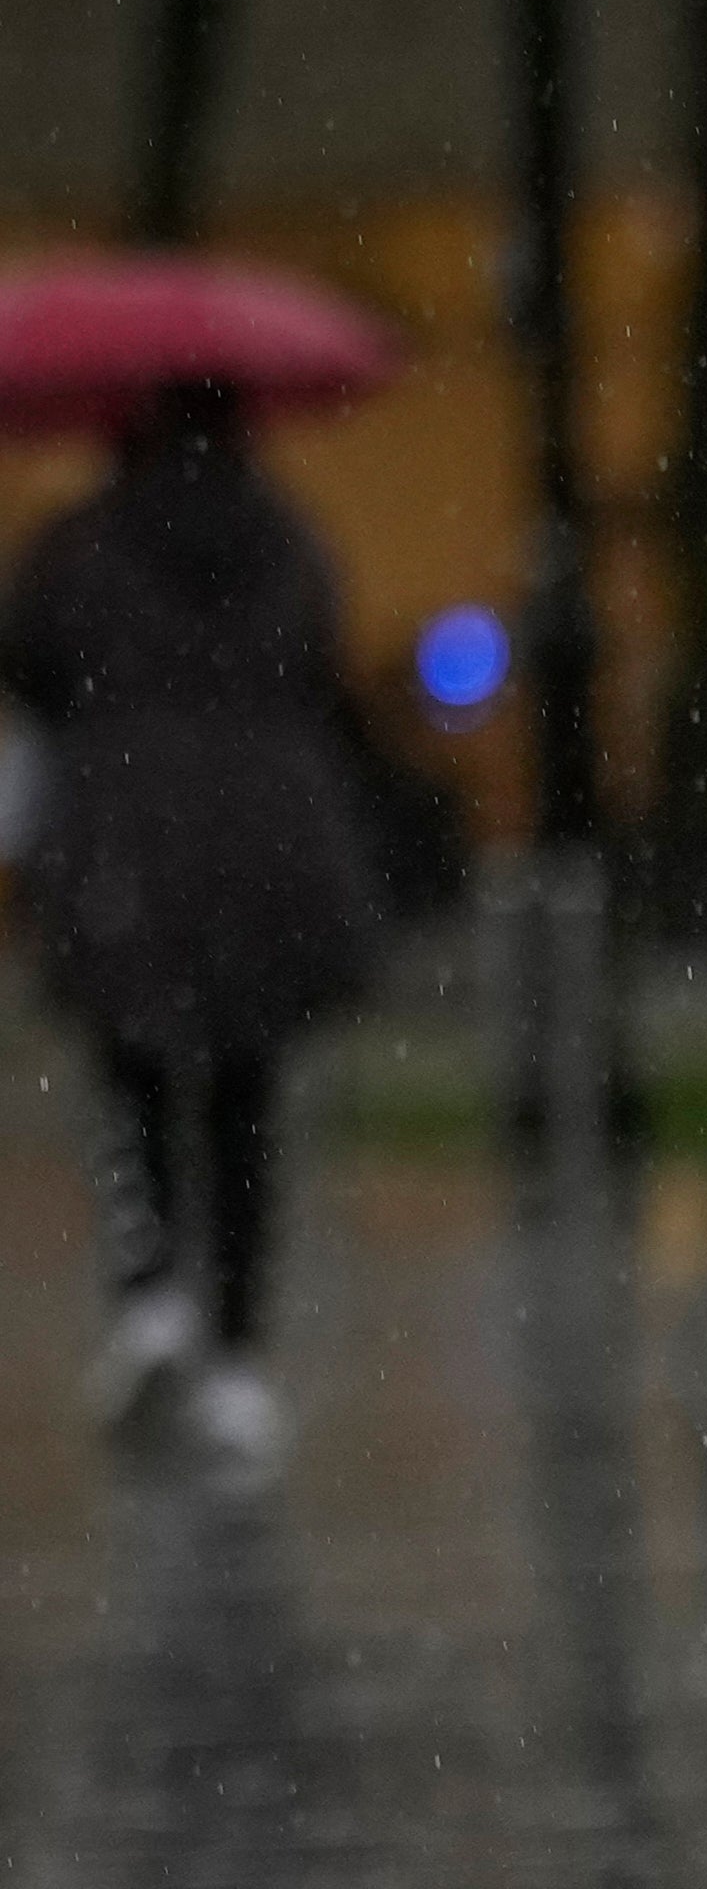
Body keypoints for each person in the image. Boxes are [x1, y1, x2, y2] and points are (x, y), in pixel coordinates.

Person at [1, 378, 387, 1473]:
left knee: (130, 1072)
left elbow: (30, 666)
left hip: (125, 828)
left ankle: (149, 1288)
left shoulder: (77, 546)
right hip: (270, 834)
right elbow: (323, 662)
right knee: (244, 1098)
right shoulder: (289, 539)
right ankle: (234, 1357)